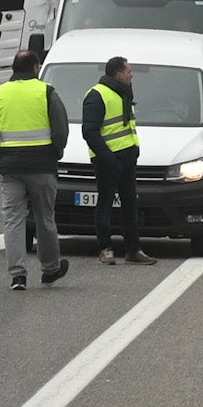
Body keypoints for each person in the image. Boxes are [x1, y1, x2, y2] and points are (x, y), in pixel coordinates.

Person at [0, 47, 71, 289]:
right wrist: (55, 153)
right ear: (36, 68)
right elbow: (61, 130)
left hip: (11, 168)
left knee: (13, 220)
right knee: (45, 218)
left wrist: (2, 156)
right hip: (43, 166)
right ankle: (50, 269)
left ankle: (18, 275)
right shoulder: (46, 92)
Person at [82, 55, 155, 265]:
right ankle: (105, 249)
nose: (132, 75)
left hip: (127, 158)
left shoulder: (124, 92)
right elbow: (90, 132)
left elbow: (126, 126)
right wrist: (108, 159)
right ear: (118, 74)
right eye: (128, 71)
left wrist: (134, 150)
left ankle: (133, 250)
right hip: (108, 160)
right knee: (105, 203)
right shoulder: (97, 95)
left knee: (130, 204)